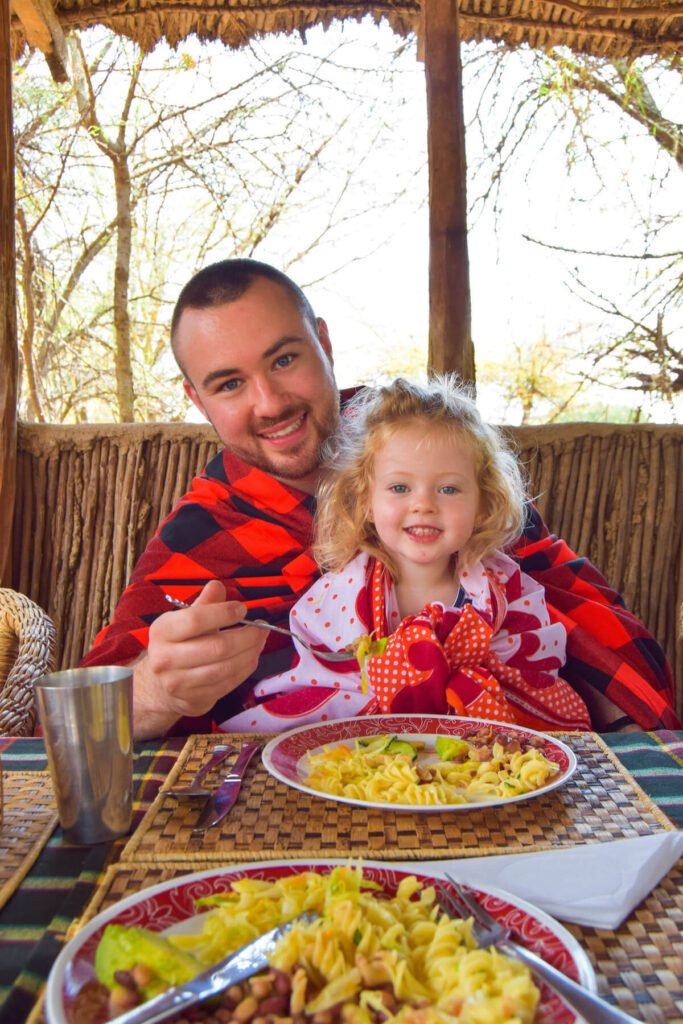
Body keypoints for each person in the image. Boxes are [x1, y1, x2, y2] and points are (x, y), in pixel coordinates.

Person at [81, 258, 680, 737]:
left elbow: (566, 603)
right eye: (230, 384)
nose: (268, 402)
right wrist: (156, 693)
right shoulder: (203, 533)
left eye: (284, 359)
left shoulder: (430, 443)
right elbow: (87, 712)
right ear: (196, 399)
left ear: (324, 342)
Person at [225, 376, 592, 732]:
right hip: (363, 746)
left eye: (448, 489)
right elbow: (325, 675)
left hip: (479, 745)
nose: (423, 505)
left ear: (483, 502)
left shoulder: (509, 589)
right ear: (366, 501)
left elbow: (531, 671)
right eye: (400, 487)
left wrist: (458, 686)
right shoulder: (339, 594)